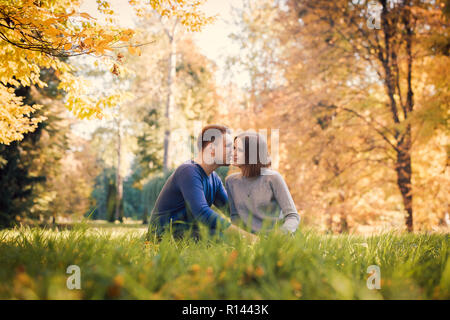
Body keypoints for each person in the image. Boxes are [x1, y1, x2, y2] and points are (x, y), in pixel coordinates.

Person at [148, 124, 257, 241]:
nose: (234, 151)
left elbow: (232, 211)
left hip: (188, 233)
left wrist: (260, 230)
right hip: (163, 237)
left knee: (225, 236)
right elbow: (202, 213)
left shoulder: (214, 178)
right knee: (224, 237)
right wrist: (247, 237)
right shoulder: (188, 171)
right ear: (212, 149)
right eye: (228, 146)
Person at [225, 131, 300, 234]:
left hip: (276, 240)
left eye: (240, 150)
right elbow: (235, 217)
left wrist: (277, 237)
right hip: (249, 242)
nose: (233, 153)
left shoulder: (273, 178)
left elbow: (293, 216)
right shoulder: (231, 182)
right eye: (234, 148)